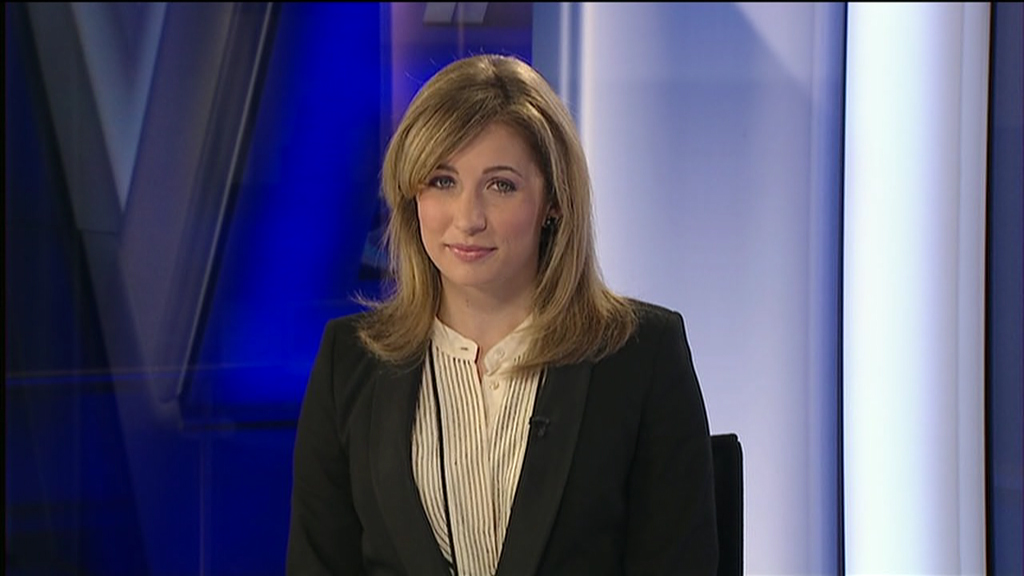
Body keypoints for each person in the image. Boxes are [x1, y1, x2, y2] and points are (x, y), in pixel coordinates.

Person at [286, 53, 718, 576]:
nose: (468, 218)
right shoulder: (349, 361)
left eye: (501, 185)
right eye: (442, 181)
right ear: (411, 194)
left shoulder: (641, 356)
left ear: (553, 201)